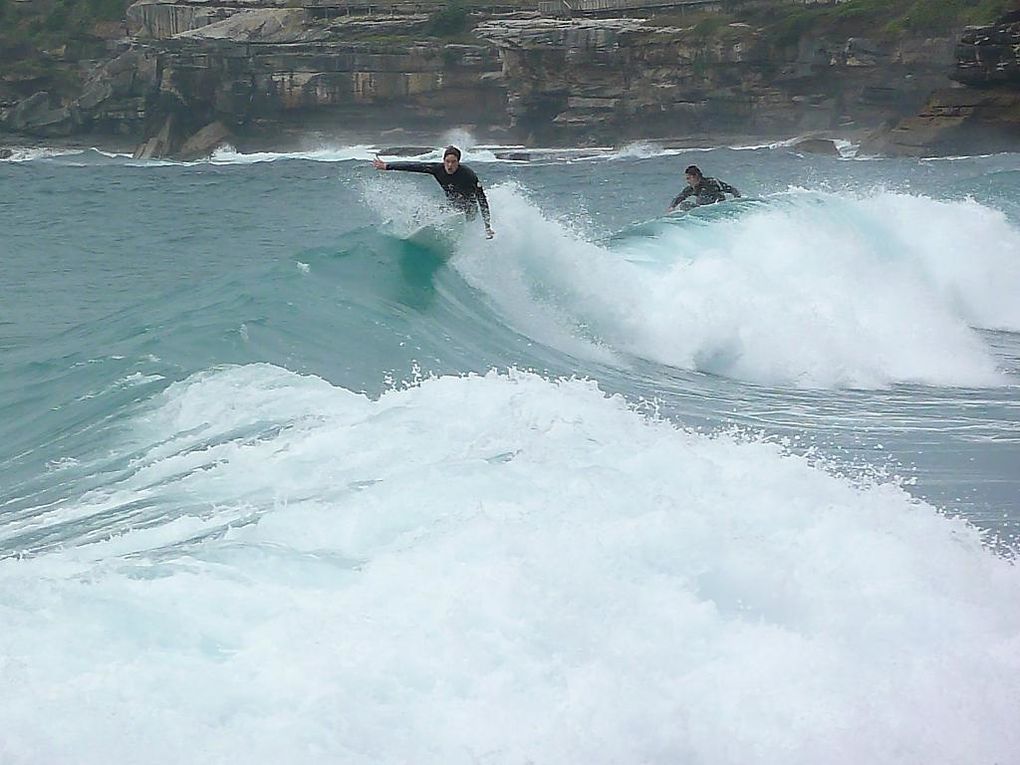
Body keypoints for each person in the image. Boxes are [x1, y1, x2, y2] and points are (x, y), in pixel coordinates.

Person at [372, 145, 494, 238]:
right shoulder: (437, 169)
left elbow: (482, 199)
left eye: (453, 162)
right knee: (427, 211)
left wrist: (487, 226)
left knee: (459, 212)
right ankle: (416, 228)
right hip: (453, 206)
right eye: (447, 161)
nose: (450, 165)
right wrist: (387, 166)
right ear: (443, 160)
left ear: (458, 162)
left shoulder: (468, 175)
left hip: (469, 210)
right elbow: (413, 166)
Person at [668, 165, 741, 212]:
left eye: (688, 178)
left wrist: (737, 198)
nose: (688, 181)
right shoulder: (691, 188)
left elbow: (731, 189)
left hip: (718, 208)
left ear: (696, 176)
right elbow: (680, 197)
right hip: (703, 211)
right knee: (685, 205)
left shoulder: (712, 182)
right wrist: (672, 207)